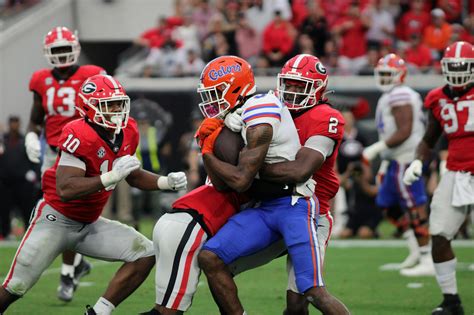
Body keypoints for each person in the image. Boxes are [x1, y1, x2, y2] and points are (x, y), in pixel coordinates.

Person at [0, 74, 188, 315]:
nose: (116, 110)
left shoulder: (128, 130)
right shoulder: (78, 133)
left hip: (89, 224)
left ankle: (98, 312)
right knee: (15, 286)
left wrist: (165, 182)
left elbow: (132, 175)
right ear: (89, 108)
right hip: (55, 220)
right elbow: (66, 189)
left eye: (119, 103)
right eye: (108, 105)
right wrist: (110, 177)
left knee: (145, 253)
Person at [198, 54, 349, 315]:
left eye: (299, 86)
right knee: (211, 258)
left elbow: (299, 171)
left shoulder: (325, 117)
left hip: (308, 209)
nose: (290, 91)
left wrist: (247, 171)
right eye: (288, 84)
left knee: (301, 300)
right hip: (266, 205)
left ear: (318, 89)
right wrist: (229, 121)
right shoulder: (268, 105)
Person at [24, 26, 106, 302]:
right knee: (60, 212)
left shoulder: (91, 75)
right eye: (56, 50)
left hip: (82, 150)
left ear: (76, 48)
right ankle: (75, 266)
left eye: (64, 48)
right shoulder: (40, 80)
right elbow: (35, 117)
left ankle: (69, 272)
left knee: (71, 212)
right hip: (53, 152)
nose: (61, 55)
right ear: (48, 53)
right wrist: (31, 136)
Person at [403, 41, 474, 315]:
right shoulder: (436, 97)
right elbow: (429, 138)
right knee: (439, 234)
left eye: (462, 67)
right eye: (452, 67)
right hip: (456, 172)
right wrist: (418, 162)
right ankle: (452, 301)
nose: (457, 72)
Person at [362, 53, 433, 274]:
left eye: (388, 74)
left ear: (400, 75)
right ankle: (415, 248)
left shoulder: (400, 94)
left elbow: (405, 131)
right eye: (381, 74)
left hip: (407, 159)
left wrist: (377, 148)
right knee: (387, 204)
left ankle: (427, 258)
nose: (384, 78)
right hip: (395, 160)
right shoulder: (392, 94)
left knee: (414, 208)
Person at [0, 116, 39, 240]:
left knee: (26, 208)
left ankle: (28, 231)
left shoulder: (24, 140)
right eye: (12, 123)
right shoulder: (3, 140)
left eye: (16, 123)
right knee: (5, 209)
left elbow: (33, 158)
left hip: (22, 182)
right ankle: (5, 233)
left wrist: (33, 173)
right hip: (5, 182)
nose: (14, 126)